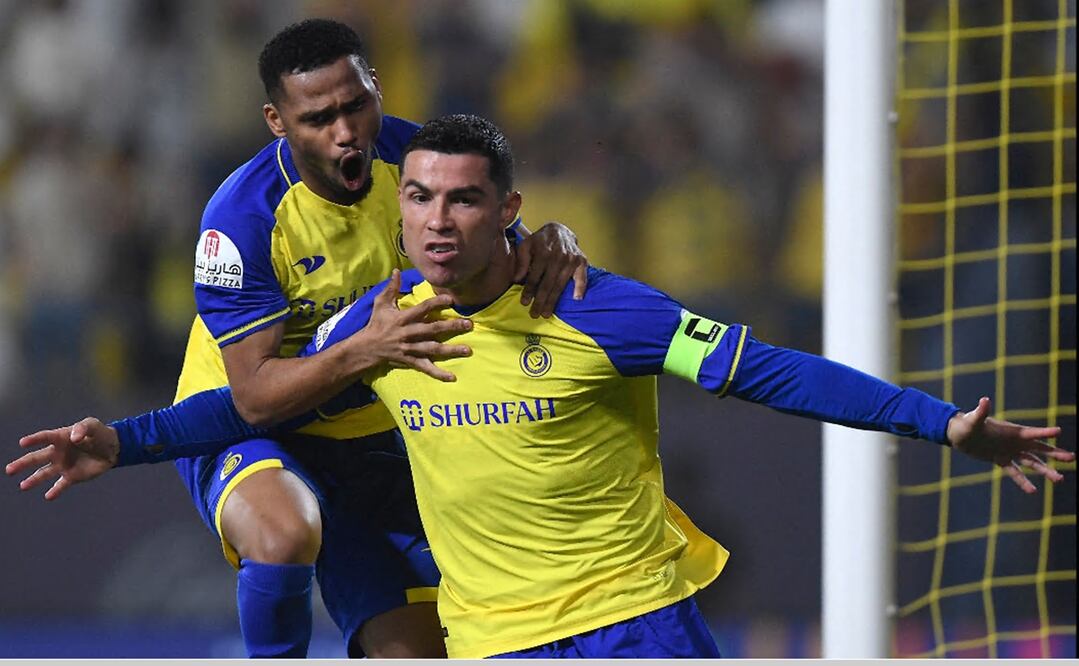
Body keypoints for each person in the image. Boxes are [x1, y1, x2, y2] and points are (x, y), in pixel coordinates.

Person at [10, 114, 1071, 658]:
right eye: (417, 198)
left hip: (633, 623)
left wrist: (943, 426)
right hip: (489, 642)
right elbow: (254, 402)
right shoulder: (385, 324)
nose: (434, 222)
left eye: (462, 202)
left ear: (509, 210)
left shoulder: (598, 310)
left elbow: (776, 373)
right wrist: (124, 442)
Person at [12, 19, 589, 659]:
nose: (346, 132)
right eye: (318, 118)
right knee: (285, 534)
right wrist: (364, 350)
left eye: (356, 105)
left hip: (371, 437)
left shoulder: (419, 162)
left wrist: (550, 239)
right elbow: (256, 399)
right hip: (238, 420)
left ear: (377, 87)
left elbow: (501, 255)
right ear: (277, 121)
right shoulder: (241, 220)